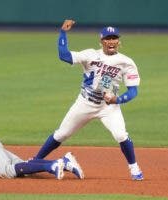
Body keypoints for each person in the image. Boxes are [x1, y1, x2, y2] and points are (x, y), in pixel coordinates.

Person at [34, 19, 143, 181]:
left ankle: (134, 169)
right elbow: (64, 55)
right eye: (107, 38)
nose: (111, 41)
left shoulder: (126, 62)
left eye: (114, 38)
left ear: (119, 41)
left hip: (108, 107)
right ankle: (35, 161)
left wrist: (117, 100)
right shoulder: (91, 54)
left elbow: (133, 91)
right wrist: (63, 32)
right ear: (101, 41)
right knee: (61, 134)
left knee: (121, 134)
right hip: (84, 104)